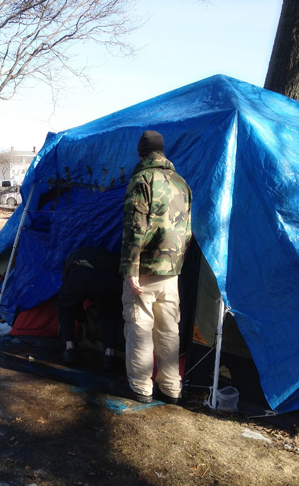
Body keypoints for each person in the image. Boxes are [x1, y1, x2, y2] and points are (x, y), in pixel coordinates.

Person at [119, 130, 192, 404]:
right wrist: (176, 264)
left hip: (145, 270)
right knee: (168, 330)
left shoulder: (142, 179)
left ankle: (141, 387)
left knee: (139, 327)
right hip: (171, 271)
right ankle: (172, 387)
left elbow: (134, 229)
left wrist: (130, 269)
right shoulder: (181, 183)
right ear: (162, 151)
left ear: (141, 153)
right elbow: (187, 231)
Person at [56, 246, 123, 369]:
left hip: (79, 276)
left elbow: (73, 303)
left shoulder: (73, 257)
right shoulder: (108, 255)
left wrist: (83, 323)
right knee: (110, 312)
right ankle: (109, 354)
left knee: (65, 307)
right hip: (107, 279)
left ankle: (70, 347)